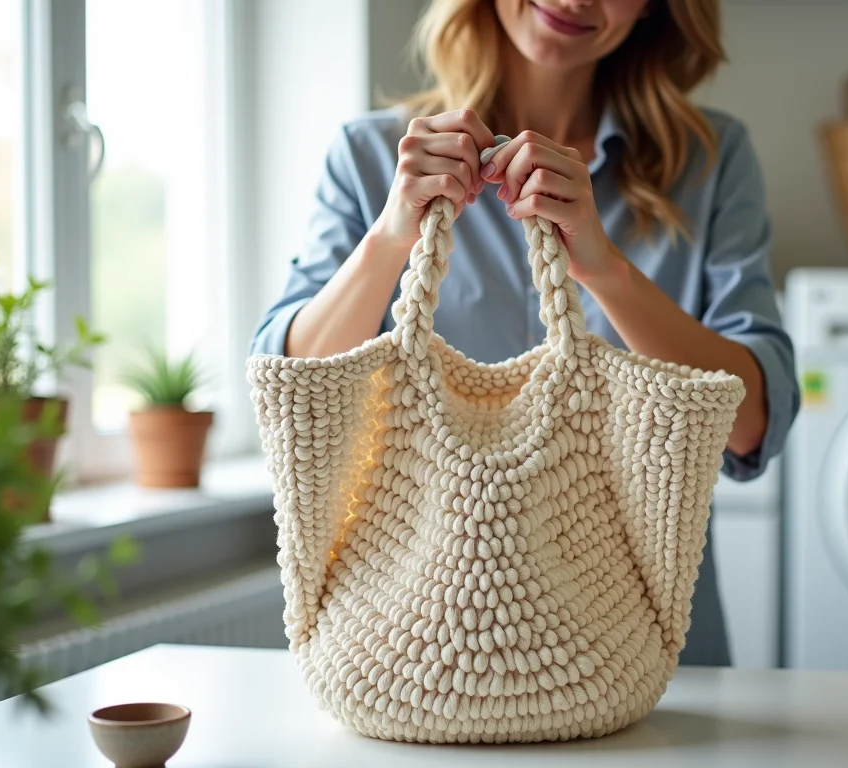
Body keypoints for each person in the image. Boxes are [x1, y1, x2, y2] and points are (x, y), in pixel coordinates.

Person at [250, 0, 799, 667]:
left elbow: (752, 423)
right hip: (417, 647)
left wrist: (604, 266)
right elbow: (290, 394)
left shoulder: (709, 161)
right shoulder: (373, 157)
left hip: (650, 653)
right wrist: (393, 233)